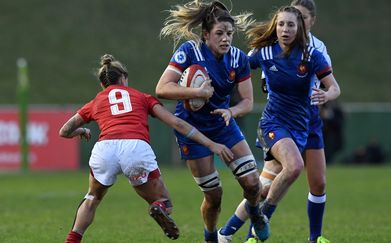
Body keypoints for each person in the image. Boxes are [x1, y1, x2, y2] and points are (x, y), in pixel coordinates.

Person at [60, 54, 235, 243]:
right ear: (124, 78)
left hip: (105, 148)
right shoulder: (142, 97)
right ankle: (158, 206)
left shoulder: (96, 102)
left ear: (103, 84)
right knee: (164, 202)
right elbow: (176, 122)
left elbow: (64, 131)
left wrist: (82, 130)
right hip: (135, 147)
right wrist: (211, 143)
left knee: (92, 197)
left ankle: (72, 240)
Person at [219, 4, 341, 243]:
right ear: (275, 27)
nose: (285, 29)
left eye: (291, 24)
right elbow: (236, 69)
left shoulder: (312, 55)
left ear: (301, 28)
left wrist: (327, 95)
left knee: (263, 187)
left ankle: (227, 232)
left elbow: (334, 87)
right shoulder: (264, 52)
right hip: (273, 124)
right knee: (294, 167)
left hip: (301, 127)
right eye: (281, 24)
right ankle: (263, 217)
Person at [156, 1, 269, 242]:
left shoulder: (238, 59)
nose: (226, 39)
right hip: (192, 130)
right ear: (206, 35)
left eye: (229, 33)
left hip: (223, 125)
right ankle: (210, 237)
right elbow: (162, 88)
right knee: (214, 196)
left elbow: (248, 101)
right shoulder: (189, 51)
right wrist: (198, 93)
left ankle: (256, 213)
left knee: (252, 184)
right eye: (219, 33)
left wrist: (232, 111)